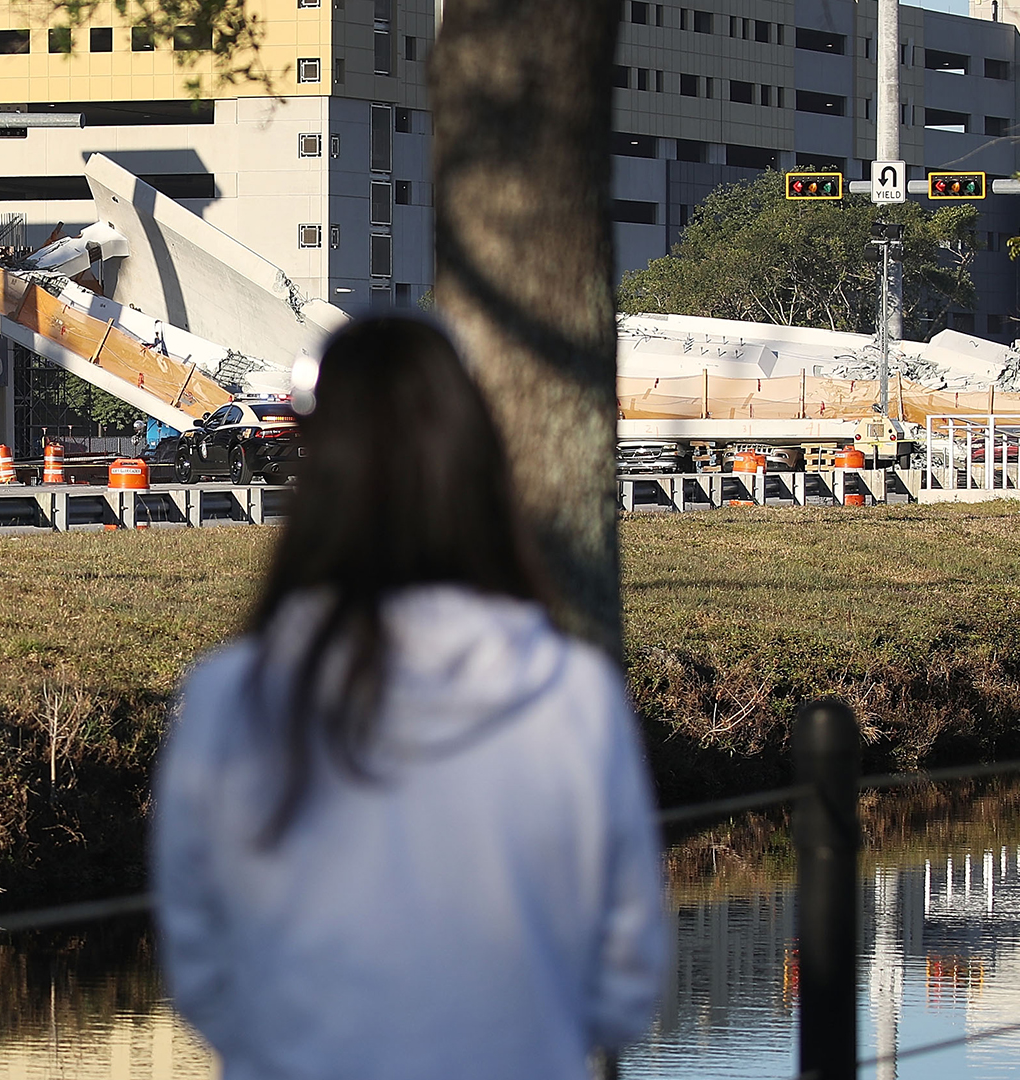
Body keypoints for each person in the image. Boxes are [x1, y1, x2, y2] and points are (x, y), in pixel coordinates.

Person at [152, 315, 669, 1080]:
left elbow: (199, 965)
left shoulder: (233, 696)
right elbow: (627, 977)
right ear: (480, 458)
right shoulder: (571, 693)